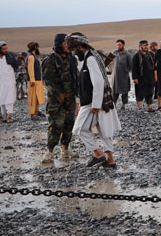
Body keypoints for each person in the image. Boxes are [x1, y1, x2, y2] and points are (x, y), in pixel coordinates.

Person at [68, 32, 121, 168]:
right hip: (97, 101)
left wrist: (96, 104)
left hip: (94, 102)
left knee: (80, 129)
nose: (73, 53)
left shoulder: (91, 59)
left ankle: (98, 154)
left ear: (80, 46)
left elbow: (98, 82)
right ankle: (110, 160)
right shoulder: (88, 58)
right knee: (104, 130)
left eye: (73, 49)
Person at [40, 33, 79, 162]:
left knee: (69, 124)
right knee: (55, 125)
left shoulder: (71, 58)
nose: (68, 46)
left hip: (70, 97)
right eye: (65, 43)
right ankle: (49, 152)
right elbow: (47, 81)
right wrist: (58, 95)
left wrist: (77, 96)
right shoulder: (50, 60)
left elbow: (76, 77)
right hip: (56, 100)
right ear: (59, 44)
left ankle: (66, 149)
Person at [0, 41, 17, 123]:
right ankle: (4, 115)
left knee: (10, 97)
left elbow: (15, 66)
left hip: (10, 80)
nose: (6, 50)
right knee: (1, 98)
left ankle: (9, 115)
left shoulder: (10, 56)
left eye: (6, 48)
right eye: (4, 49)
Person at [132, 40, 156, 111]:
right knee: (140, 93)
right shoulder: (136, 56)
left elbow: (154, 66)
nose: (146, 47)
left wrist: (155, 76)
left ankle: (149, 107)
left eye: (147, 45)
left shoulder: (151, 55)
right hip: (140, 78)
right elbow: (134, 68)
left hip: (150, 77)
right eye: (144, 45)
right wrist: (135, 78)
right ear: (140, 46)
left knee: (150, 92)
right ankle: (140, 108)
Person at [26, 42, 46, 120]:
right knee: (33, 97)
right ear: (35, 47)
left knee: (37, 96)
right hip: (33, 81)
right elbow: (30, 69)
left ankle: (36, 111)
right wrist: (32, 80)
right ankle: (32, 113)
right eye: (37, 47)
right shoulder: (31, 57)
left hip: (37, 79)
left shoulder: (34, 56)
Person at [112, 39, 132, 110]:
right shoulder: (114, 53)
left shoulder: (127, 54)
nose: (118, 46)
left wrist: (125, 71)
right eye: (117, 45)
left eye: (119, 45)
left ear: (123, 45)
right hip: (115, 77)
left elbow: (131, 66)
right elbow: (109, 62)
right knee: (115, 91)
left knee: (124, 91)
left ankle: (123, 105)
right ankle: (113, 104)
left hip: (124, 76)